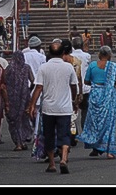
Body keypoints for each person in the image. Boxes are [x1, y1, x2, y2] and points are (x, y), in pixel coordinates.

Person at [28, 41, 78, 174]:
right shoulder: (68, 67)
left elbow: (38, 87)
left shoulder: (44, 68)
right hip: (64, 107)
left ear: (49, 53)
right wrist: (74, 100)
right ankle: (64, 158)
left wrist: (32, 105)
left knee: (49, 136)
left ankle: (51, 163)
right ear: (63, 53)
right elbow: (74, 86)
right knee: (65, 134)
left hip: (48, 108)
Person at [78, 45, 116, 159]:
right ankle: (109, 150)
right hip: (109, 96)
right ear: (109, 56)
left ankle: (95, 147)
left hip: (95, 96)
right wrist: (111, 84)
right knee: (109, 123)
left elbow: (87, 81)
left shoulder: (93, 65)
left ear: (99, 55)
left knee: (95, 122)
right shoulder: (113, 66)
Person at [2, 49, 34, 151]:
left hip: (12, 98)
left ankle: (18, 143)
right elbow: (33, 81)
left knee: (14, 120)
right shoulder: (27, 67)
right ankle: (24, 139)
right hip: (24, 97)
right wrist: (28, 90)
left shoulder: (9, 68)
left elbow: (4, 82)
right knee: (23, 119)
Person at [60, 39, 83, 147]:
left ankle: (66, 134)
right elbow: (79, 78)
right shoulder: (76, 61)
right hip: (75, 89)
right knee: (74, 113)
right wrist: (81, 92)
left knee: (63, 113)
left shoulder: (60, 61)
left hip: (62, 89)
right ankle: (73, 134)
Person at [71, 36, 91, 134]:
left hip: (73, 87)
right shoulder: (87, 56)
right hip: (85, 87)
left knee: (72, 112)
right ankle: (85, 131)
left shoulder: (70, 56)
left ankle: (74, 132)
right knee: (85, 111)